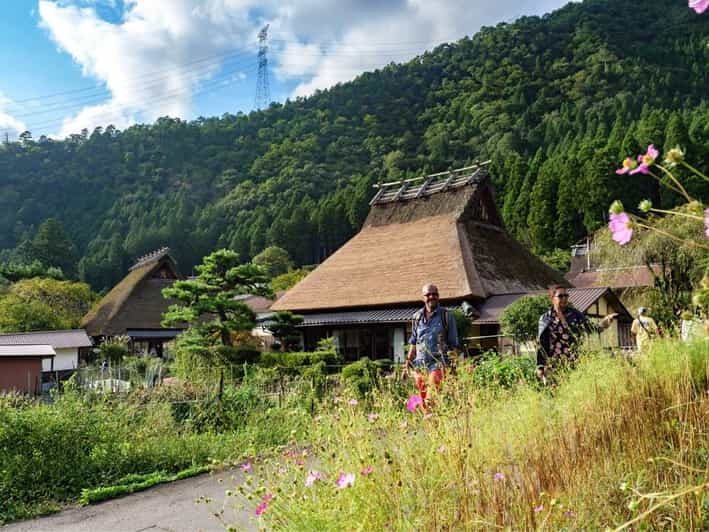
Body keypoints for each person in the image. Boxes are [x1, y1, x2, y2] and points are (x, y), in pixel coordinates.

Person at [537, 285, 617, 383]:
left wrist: (605, 322)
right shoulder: (545, 318)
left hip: (573, 360)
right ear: (552, 298)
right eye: (560, 296)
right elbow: (541, 343)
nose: (564, 298)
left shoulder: (574, 314)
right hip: (553, 363)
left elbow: (591, 328)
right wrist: (540, 366)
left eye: (566, 295)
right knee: (555, 392)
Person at [403, 283, 460, 405]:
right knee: (423, 401)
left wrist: (453, 368)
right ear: (423, 297)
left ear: (438, 296)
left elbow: (454, 344)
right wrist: (407, 364)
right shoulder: (417, 317)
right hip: (421, 365)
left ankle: (433, 421)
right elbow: (414, 342)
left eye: (434, 294)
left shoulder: (446, 315)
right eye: (428, 294)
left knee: (431, 399)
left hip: (438, 363)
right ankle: (431, 424)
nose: (431, 297)